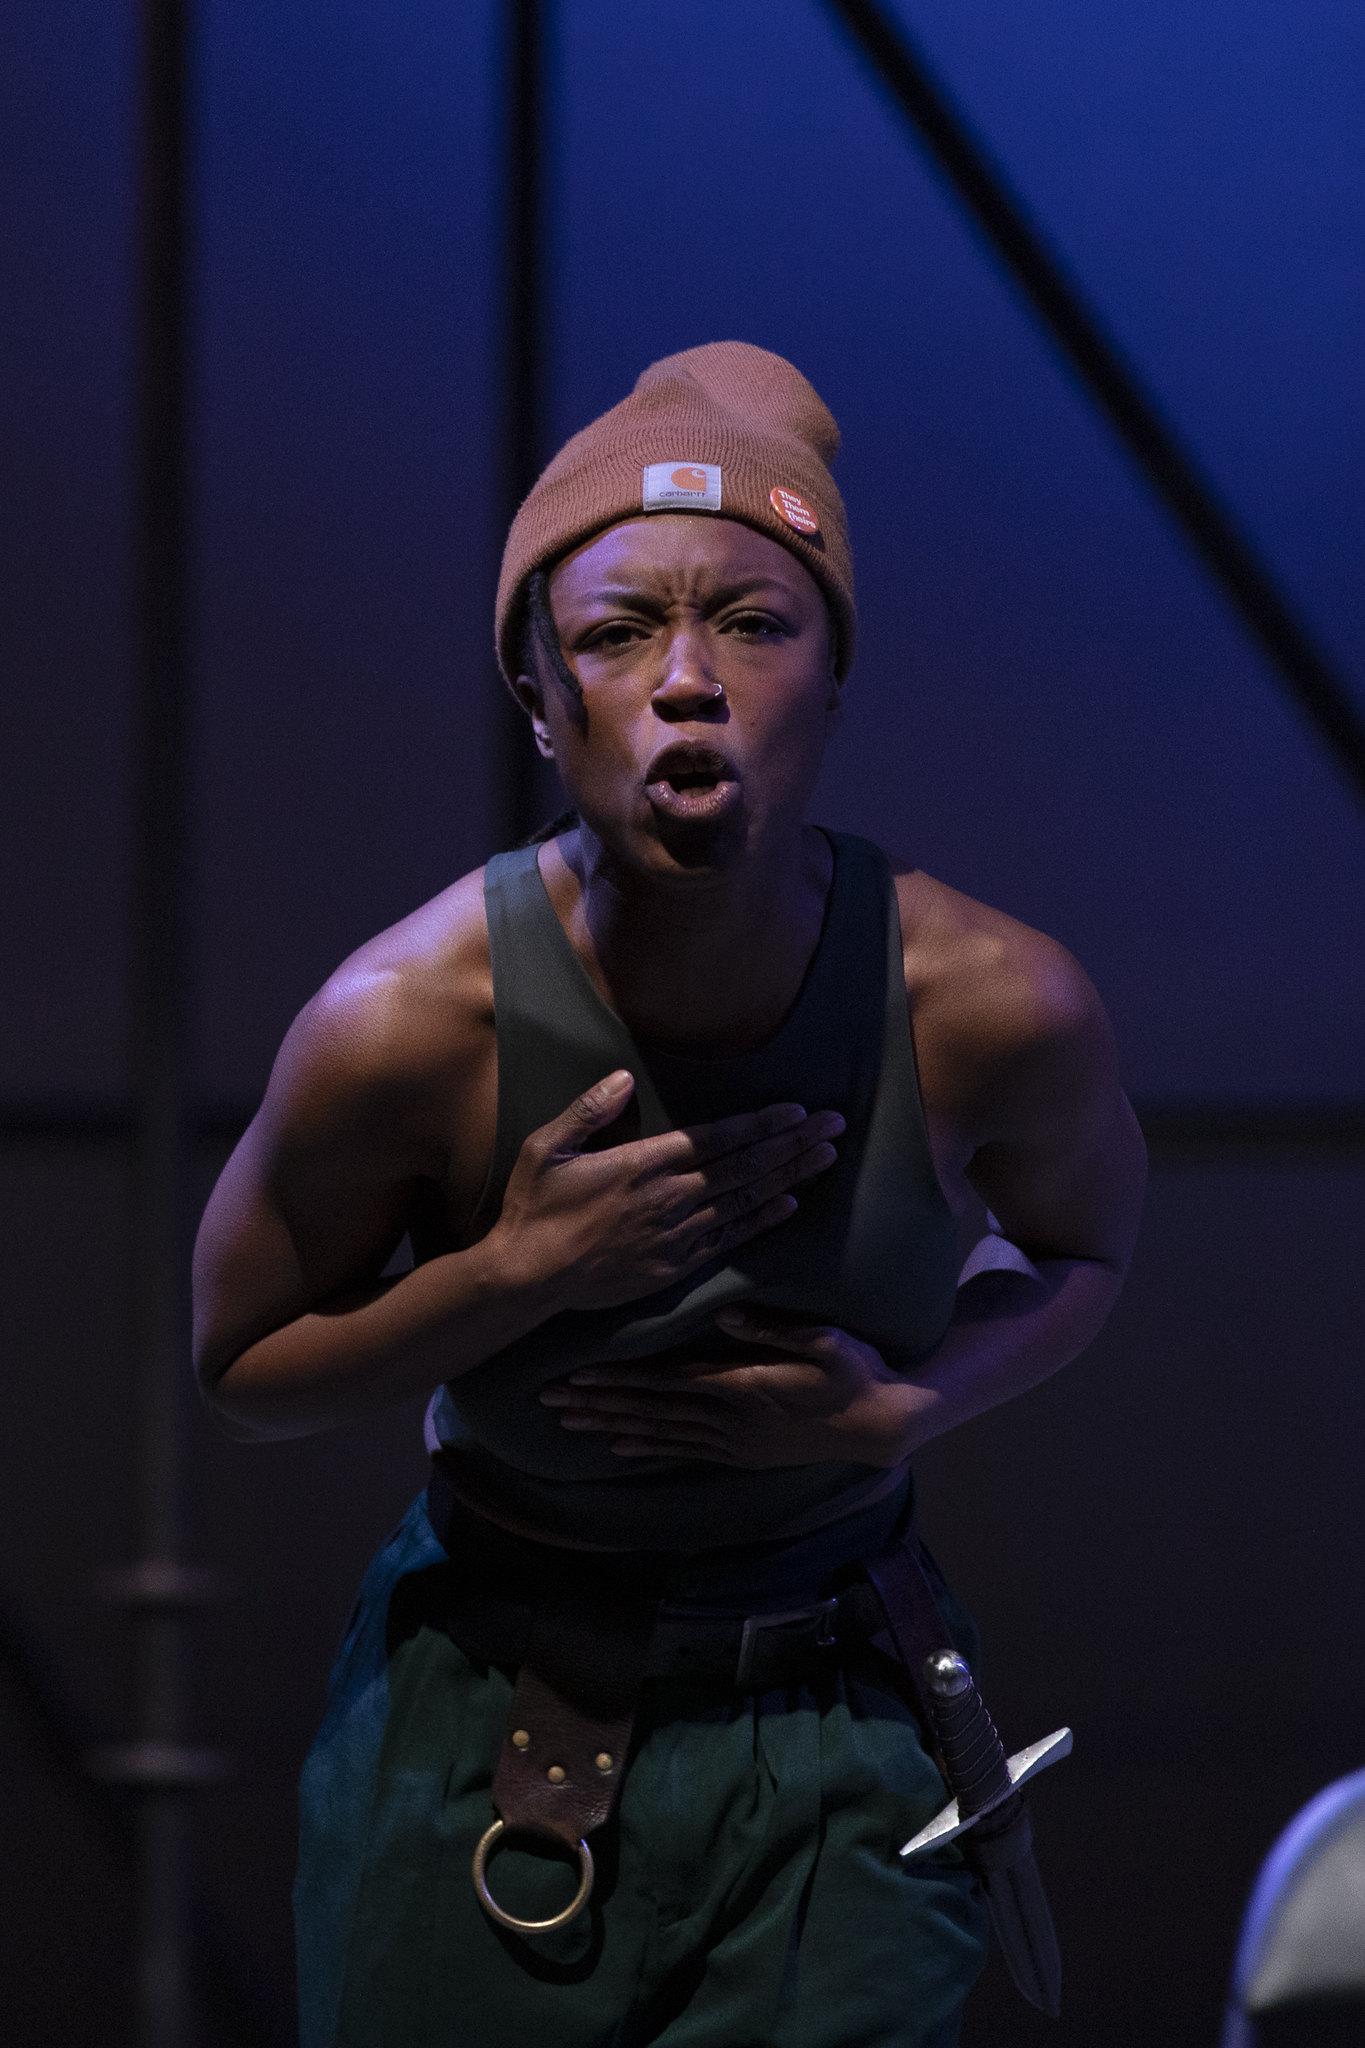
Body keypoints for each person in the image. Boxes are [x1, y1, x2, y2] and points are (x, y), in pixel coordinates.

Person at [193, 341, 1146, 2048]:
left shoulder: (992, 1002)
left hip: (841, 1701)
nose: (687, 680)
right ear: (542, 700)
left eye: (755, 624)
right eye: (621, 630)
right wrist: (515, 1273)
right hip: (488, 1697)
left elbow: (1083, 1251)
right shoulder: (409, 1024)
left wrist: (908, 1409)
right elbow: (239, 1364)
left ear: (835, 677)